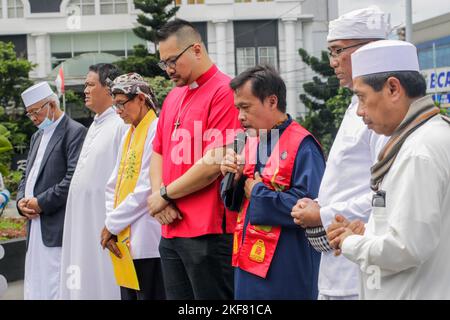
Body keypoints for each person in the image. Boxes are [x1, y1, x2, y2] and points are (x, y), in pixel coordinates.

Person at [328, 39, 450, 300]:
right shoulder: (430, 134)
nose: (360, 111)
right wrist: (367, 232)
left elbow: (406, 247)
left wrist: (350, 242)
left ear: (393, 88)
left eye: (362, 97)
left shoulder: (419, 151)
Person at [290, 6, 389, 300]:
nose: (332, 62)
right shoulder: (353, 106)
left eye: (337, 51)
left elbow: (384, 193)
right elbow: (349, 178)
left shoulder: (383, 113)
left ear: (368, 50)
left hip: (360, 263)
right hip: (338, 258)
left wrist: (322, 213)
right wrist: (319, 203)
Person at [146, 19, 241, 300]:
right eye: (163, 63)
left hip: (208, 232)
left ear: (196, 50)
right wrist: (157, 197)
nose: (168, 70)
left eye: (172, 61)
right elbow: (158, 151)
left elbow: (215, 163)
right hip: (171, 228)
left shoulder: (226, 92)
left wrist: (164, 194)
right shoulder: (174, 96)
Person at [221, 65, 325, 299]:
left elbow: (313, 206)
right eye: (238, 108)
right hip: (248, 261)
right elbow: (236, 201)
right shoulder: (250, 140)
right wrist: (233, 178)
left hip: (285, 263)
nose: (240, 116)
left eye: (246, 107)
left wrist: (258, 193)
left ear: (271, 101)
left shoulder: (302, 145)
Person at [60, 63, 128, 300]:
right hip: (82, 221)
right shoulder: (95, 124)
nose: (85, 90)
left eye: (90, 85)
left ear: (109, 88)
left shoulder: (121, 125)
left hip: (104, 222)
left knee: (104, 281)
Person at [17, 82, 86, 300]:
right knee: (35, 282)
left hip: (56, 224)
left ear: (52, 105)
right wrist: (20, 202)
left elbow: (73, 179)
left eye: (36, 112)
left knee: (56, 283)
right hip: (34, 225)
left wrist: (41, 203)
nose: (34, 118)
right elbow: (25, 176)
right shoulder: (37, 136)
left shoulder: (74, 132)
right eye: (29, 114)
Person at [100, 73, 165, 300]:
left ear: (140, 98)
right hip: (123, 236)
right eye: (115, 104)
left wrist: (112, 224)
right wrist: (112, 223)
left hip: (147, 237)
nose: (117, 111)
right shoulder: (129, 133)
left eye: (121, 104)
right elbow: (113, 184)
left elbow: (147, 187)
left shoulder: (156, 128)